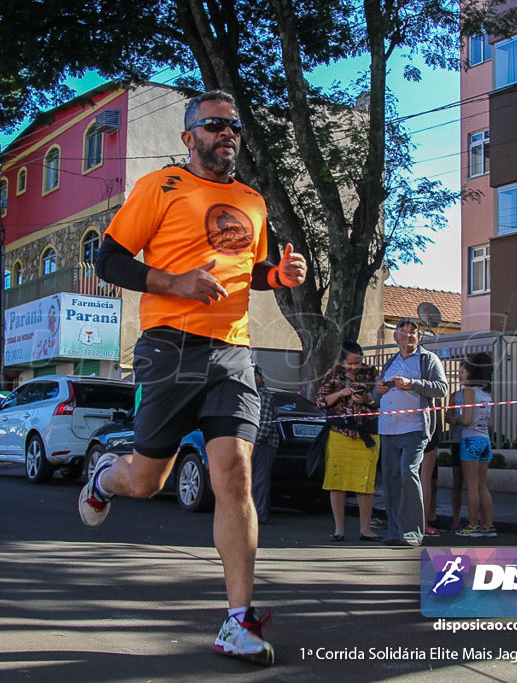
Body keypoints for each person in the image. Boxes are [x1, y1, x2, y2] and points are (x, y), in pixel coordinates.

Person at [80, 90, 307, 666]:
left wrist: (277, 275)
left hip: (231, 350)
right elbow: (107, 259)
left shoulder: (253, 201)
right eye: (213, 125)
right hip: (167, 347)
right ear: (189, 138)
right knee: (147, 482)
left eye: (233, 125)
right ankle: (107, 477)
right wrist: (174, 283)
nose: (226, 132)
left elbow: (247, 270)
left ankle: (237, 620)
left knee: (233, 475)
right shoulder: (160, 188)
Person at [375, 319, 449, 547]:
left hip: (415, 428)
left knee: (408, 473)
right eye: (403, 331)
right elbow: (377, 397)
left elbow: (442, 388)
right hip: (388, 429)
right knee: (391, 481)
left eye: (412, 332)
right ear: (395, 336)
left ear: (419, 337)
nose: (407, 336)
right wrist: (377, 391)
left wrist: (412, 383)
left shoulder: (428, 360)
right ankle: (395, 533)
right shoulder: (390, 362)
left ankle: (413, 533)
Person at [315, 340, 382, 542]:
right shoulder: (333, 374)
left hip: (366, 435)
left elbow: (383, 400)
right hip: (339, 434)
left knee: (365, 483)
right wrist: (340, 394)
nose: (354, 367)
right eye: (350, 364)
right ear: (342, 361)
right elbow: (320, 401)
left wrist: (367, 400)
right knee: (338, 482)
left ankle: (365, 529)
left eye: (357, 363)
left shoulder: (372, 374)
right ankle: (339, 529)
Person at [445, 353, 495, 538]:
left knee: (472, 486)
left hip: (470, 439)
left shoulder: (468, 392)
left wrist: (455, 419)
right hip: (485, 440)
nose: (460, 374)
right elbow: (490, 424)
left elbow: (466, 420)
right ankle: (488, 525)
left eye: (463, 370)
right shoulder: (486, 394)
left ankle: (473, 524)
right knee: (482, 485)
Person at [251, 365, 278, 524]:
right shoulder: (251, 394)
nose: (253, 379)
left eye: (255, 375)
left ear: (261, 377)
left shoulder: (265, 396)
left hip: (263, 444)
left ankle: (260, 514)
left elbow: (265, 424)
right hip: (253, 443)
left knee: (260, 481)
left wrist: (253, 442)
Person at [445, 383, 466, 533]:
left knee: (474, 483)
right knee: (457, 482)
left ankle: (476, 520)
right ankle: (456, 518)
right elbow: (447, 416)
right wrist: (452, 419)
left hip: (472, 441)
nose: (461, 375)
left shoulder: (482, 395)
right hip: (457, 441)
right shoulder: (455, 396)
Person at [420, 415, 442, 536]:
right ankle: (423, 523)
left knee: (417, 479)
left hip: (406, 428)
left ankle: (422, 521)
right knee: (425, 480)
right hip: (427, 427)